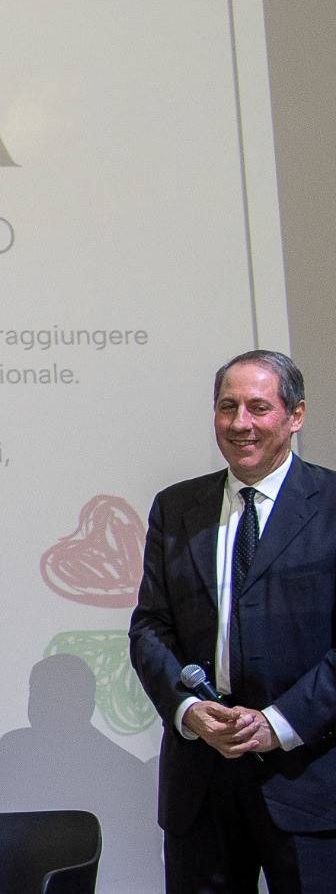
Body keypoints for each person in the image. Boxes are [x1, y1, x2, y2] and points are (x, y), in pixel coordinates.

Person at [130, 349, 336, 891]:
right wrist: (188, 709)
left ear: (296, 415)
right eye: (227, 407)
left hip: (310, 782)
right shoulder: (177, 507)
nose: (240, 423)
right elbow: (150, 627)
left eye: (258, 407)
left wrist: (277, 723)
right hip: (201, 786)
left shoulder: (332, 505)